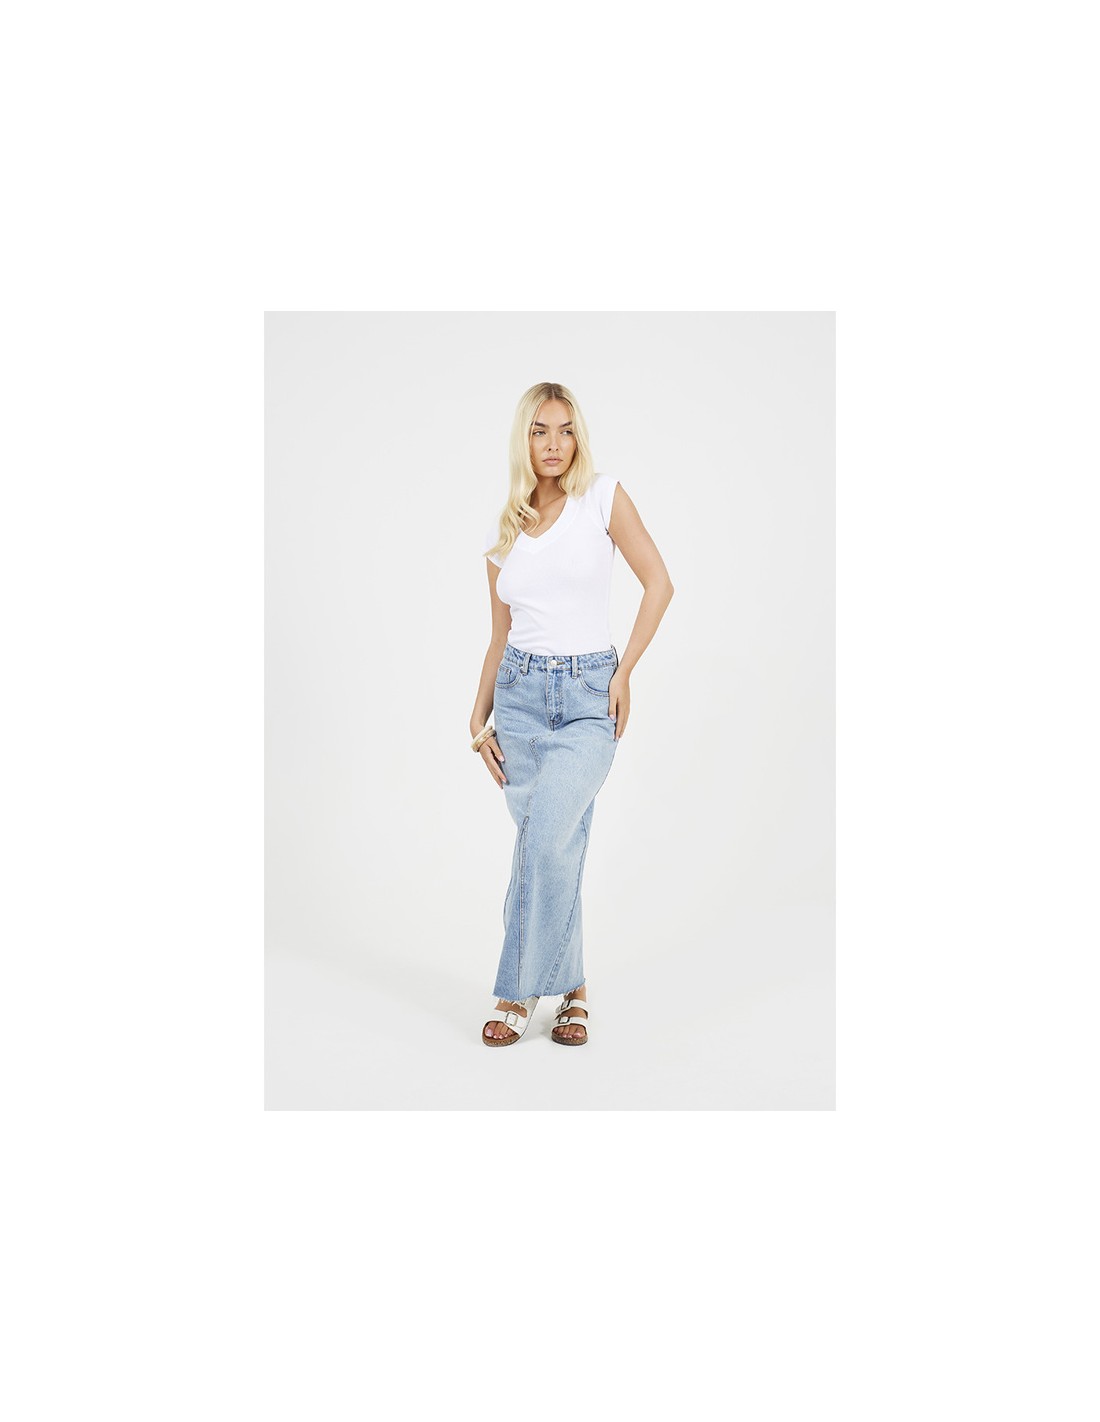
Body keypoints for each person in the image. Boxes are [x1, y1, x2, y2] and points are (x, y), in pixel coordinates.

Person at [471, 382, 675, 1046]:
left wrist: (625, 672)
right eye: (539, 431)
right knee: (554, 848)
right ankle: (575, 991)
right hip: (520, 702)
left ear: (578, 437)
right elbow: (499, 638)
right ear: (523, 441)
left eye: (564, 430)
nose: (553, 444)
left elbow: (659, 583)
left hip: (589, 698)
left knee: (542, 840)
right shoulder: (505, 532)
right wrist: (477, 719)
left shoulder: (602, 498)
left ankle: (515, 991)